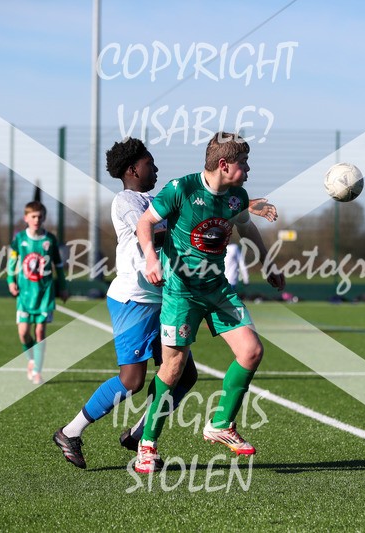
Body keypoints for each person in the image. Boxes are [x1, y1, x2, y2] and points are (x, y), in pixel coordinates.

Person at [53, 138, 278, 469]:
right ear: (133, 169)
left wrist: (235, 206)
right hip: (135, 298)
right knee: (132, 380)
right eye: (149, 164)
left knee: (183, 376)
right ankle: (70, 432)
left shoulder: (162, 196)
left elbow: (200, 208)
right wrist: (213, 216)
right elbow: (161, 229)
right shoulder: (126, 201)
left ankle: (141, 435)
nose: (156, 168)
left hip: (166, 294)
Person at [134, 131, 285, 474]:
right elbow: (146, 222)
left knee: (251, 351)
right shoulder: (181, 189)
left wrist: (268, 264)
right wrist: (150, 258)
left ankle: (220, 425)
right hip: (181, 292)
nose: (247, 170)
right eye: (242, 164)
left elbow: (247, 230)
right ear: (223, 164)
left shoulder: (237, 197)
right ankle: (147, 445)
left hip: (217, 288)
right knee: (171, 370)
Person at [7, 200, 69, 385]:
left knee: (40, 331)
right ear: (26, 218)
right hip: (25, 294)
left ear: (44, 218)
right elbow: (12, 262)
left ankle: (37, 372)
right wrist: (11, 281)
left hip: (45, 293)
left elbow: (58, 266)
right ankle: (32, 359)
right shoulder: (19, 239)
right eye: (33, 216)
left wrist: (63, 287)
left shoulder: (50, 240)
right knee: (24, 333)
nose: (36, 220)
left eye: (40, 216)